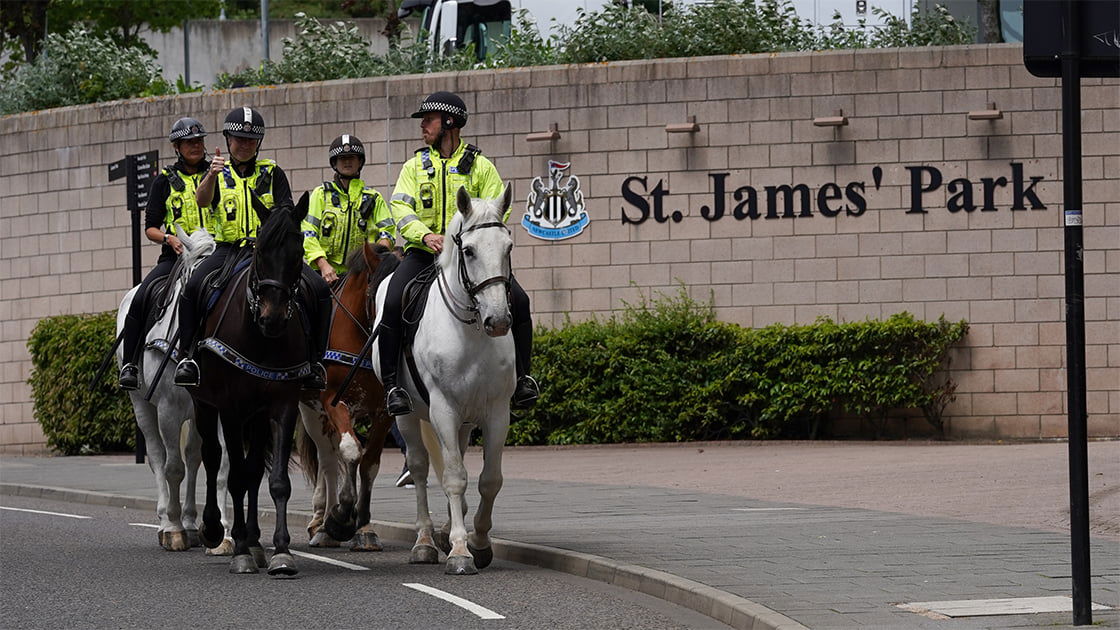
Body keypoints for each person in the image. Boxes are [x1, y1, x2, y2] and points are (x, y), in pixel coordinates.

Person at [378, 91, 539, 416]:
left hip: (472, 259)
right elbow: (400, 207)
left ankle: (523, 379)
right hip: (423, 254)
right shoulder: (414, 166)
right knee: (393, 300)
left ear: (449, 122)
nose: (423, 126)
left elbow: (497, 209)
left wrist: (469, 240)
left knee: (520, 301)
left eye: (429, 120)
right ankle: (394, 386)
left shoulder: (480, 166)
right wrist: (423, 235)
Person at [172, 106, 331, 390]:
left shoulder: (273, 172)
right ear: (228, 140)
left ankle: (316, 361)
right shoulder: (217, 172)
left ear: (258, 143)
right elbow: (201, 201)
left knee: (318, 289)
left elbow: (285, 212)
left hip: (269, 253)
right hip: (228, 249)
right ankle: (189, 357)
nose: (244, 144)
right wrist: (210, 175)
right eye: (238, 138)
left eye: (250, 139)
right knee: (194, 287)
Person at [118, 118, 213, 389]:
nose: (196, 146)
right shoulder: (163, 180)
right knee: (142, 296)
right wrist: (169, 238)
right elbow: (150, 228)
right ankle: (131, 364)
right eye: (189, 142)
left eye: (199, 141)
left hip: (214, 253)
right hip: (176, 256)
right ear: (177, 146)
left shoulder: (217, 173)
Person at [299, 134, 395, 283]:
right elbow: (308, 232)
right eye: (342, 158)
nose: (348, 161)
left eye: (352, 157)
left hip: (361, 275)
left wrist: (377, 254)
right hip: (323, 272)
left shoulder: (374, 197)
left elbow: (387, 232)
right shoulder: (321, 194)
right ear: (334, 163)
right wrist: (323, 264)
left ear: (360, 162)